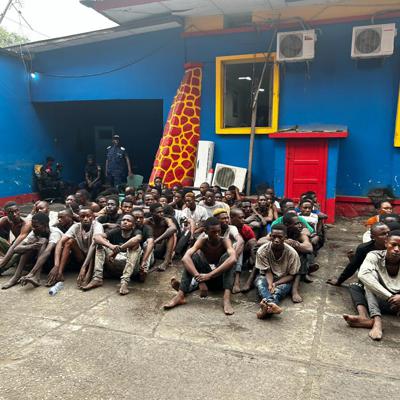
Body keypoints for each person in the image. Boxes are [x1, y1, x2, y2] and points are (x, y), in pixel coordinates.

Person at [163, 217, 237, 315]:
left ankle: (226, 299)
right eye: (213, 232)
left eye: (219, 231)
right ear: (206, 231)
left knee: (229, 258)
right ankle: (180, 295)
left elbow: (233, 259)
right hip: (205, 278)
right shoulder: (202, 241)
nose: (217, 234)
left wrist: (209, 275)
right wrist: (200, 280)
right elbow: (185, 258)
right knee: (192, 258)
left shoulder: (225, 241)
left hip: (221, 280)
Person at [343, 230, 400, 341]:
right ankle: (376, 320)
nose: (397, 249)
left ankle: (368, 320)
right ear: (386, 243)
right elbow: (363, 275)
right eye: (393, 245)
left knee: (366, 283)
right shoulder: (374, 255)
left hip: (397, 306)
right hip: (385, 300)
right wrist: (390, 297)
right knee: (360, 283)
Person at [81, 215, 143, 294]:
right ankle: (97, 278)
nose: (125, 222)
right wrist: (111, 246)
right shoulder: (116, 231)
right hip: (113, 265)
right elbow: (96, 237)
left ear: (133, 225)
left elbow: (137, 239)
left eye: (128, 220)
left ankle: (124, 283)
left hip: (131, 269)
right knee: (99, 243)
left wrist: (117, 250)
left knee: (135, 245)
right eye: (123, 220)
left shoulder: (137, 232)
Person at [3, 213, 62, 289]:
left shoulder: (55, 232)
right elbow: (16, 249)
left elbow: (47, 252)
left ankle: (36, 277)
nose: (33, 229)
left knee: (43, 241)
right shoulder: (35, 231)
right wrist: (30, 246)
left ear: (45, 225)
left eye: (36, 226)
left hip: (55, 262)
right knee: (30, 244)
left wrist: (31, 273)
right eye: (32, 226)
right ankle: (16, 276)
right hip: (42, 261)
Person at [48, 208, 104, 287]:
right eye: (82, 216)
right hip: (82, 256)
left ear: (93, 217)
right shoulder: (76, 226)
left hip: (93, 256)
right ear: (79, 218)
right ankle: (60, 273)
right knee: (69, 241)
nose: (85, 219)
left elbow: (93, 245)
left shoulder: (97, 225)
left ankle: (89, 274)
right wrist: (56, 266)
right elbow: (60, 242)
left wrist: (84, 269)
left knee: (97, 244)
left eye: (88, 216)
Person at [254, 224, 301, 318]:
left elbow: (291, 275)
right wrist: (270, 284)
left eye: (280, 237)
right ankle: (271, 305)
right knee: (260, 283)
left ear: (285, 238)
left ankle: (264, 310)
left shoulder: (292, 253)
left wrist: (275, 284)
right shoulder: (262, 250)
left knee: (279, 290)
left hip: (284, 279)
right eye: (274, 236)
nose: (276, 240)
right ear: (270, 236)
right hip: (267, 277)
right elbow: (267, 271)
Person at [230, 208, 256, 294]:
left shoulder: (246, 228)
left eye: (243, 217)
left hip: (240, 255)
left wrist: (252, 257)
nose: (243, 220)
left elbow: (253, 243)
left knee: (248, 242)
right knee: (237, 244)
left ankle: (255, 268)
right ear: (232, 218)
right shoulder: (227, 227)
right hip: (228, 254)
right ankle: (236, 280)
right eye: (240, 218)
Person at [0, 202, 31, 275]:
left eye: (16, 211)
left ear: (19, 210)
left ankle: (2, 267)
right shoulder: (5, 220)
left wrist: (2, 262)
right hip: (14, 248)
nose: (14, 214)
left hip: (26, 252)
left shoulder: (26, 224)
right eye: (11, 212)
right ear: (6, 214)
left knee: (18, 252)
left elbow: (14, 246)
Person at [145, 203, 176, 271]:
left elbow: (173, 228)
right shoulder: (147, 221)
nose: (161, 214)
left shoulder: (166, 220)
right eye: (158, 212)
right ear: (152, 213)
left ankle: (166, 262)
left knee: (171, 235)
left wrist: (157, 240)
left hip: (161, 248)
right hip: (150, 248)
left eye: (162, 211)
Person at [132, 208, 155, 277]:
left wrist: (144, 261)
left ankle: (144, 271)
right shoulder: (126, 226)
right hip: (132, 254)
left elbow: (151, 242)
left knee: (147, 244)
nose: (138, 220)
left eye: (141, 218)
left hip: (145, 256)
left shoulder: (147, 228)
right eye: (136, 218)